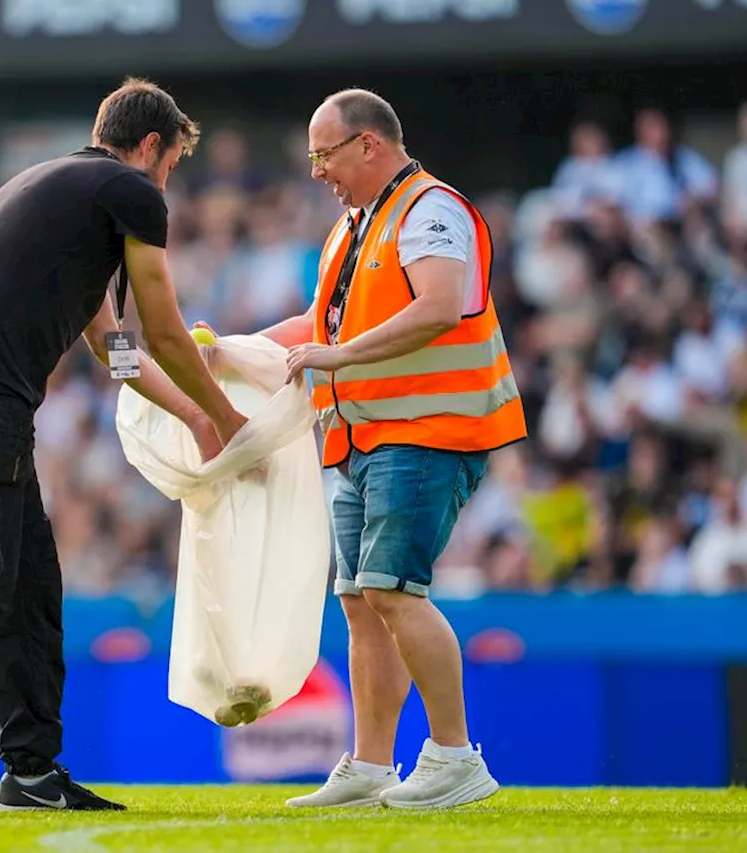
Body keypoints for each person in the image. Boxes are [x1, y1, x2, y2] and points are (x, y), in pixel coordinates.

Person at [0, 78, 248, 817]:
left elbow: (112, 343)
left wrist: (192, 418)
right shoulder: (130, 191)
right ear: (151, 146)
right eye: (170, 165)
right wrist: (227, 416)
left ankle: (30, 774)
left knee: (28, 583)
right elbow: (162, 330)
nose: (167, 184)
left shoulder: (57, 185)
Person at [207, 89, 527, 810]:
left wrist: (338, 354)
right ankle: (372, 765)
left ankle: (454, 755)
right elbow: (321, 328)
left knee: (391, 591)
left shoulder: (432, 209)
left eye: (324, 154)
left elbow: (440, 305)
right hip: (361, 438)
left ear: (368, 145)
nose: (317, 171)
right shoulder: (352, 226)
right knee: (359, 601)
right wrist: (232, 351)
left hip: (428, 430)